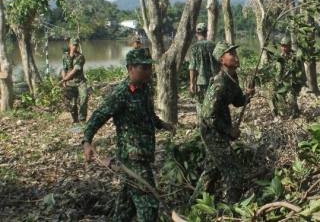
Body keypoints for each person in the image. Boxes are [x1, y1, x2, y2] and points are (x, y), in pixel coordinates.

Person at [82, 47, 176, 222]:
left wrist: (161, 124)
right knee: (148, 203)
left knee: (126, 204)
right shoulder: (122, 93)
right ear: (130, 69)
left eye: (149, 67)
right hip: (133, 158)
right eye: (143, 68)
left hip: (145, 154)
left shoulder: (145, 89)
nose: (148, 72)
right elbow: (99, 115)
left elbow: (149, 114)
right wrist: (87, 140)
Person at [190, 41, 255, 205]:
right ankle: (230, 209)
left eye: (235, 52)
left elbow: (237, 101)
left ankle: (194, 205)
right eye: (231, 54)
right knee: (234, 171)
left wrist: (247, 96)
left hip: (219, 130)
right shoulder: (219, 83)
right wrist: (228, 131)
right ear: (222, 60)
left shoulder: (232, 78)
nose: (236, 56)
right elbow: (207, 115)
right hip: (212, 132)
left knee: (211, 171)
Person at [270, 37, 305, 118]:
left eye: (286, 46)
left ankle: (295, 112)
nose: (284, 48)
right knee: (276, 95)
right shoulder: (280, 58)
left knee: (291, 96)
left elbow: (301, 71)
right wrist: (276, 82)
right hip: (283, 82)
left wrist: (299, 81)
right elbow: (278, 72)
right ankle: (280, 112)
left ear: (290, 46)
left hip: (294, 81)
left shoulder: (296, 57)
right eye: (282, 46)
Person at [188, 23, 219, 107]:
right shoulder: (213, 45)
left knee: (201, 105)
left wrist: (191, 83)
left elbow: (192, 67)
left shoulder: (194, 47)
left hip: (201, 81)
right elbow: (220, 62)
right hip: (214, 80)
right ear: (206, 33)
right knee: (213, 105)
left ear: (196, 34)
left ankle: (202, 120)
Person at [59, 37, 88, 123]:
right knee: (72, 102)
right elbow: (64, 69)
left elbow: (74, 71)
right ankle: (75, 119)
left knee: (84, 98)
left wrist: (64, 80)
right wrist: (64, 79)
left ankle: (82, 118)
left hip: (80, 81)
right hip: (69, 82)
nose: (74, 47)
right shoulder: (65, 56)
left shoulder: (80, 57)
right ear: (70, 45)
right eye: (73, 45)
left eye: (76, 45)